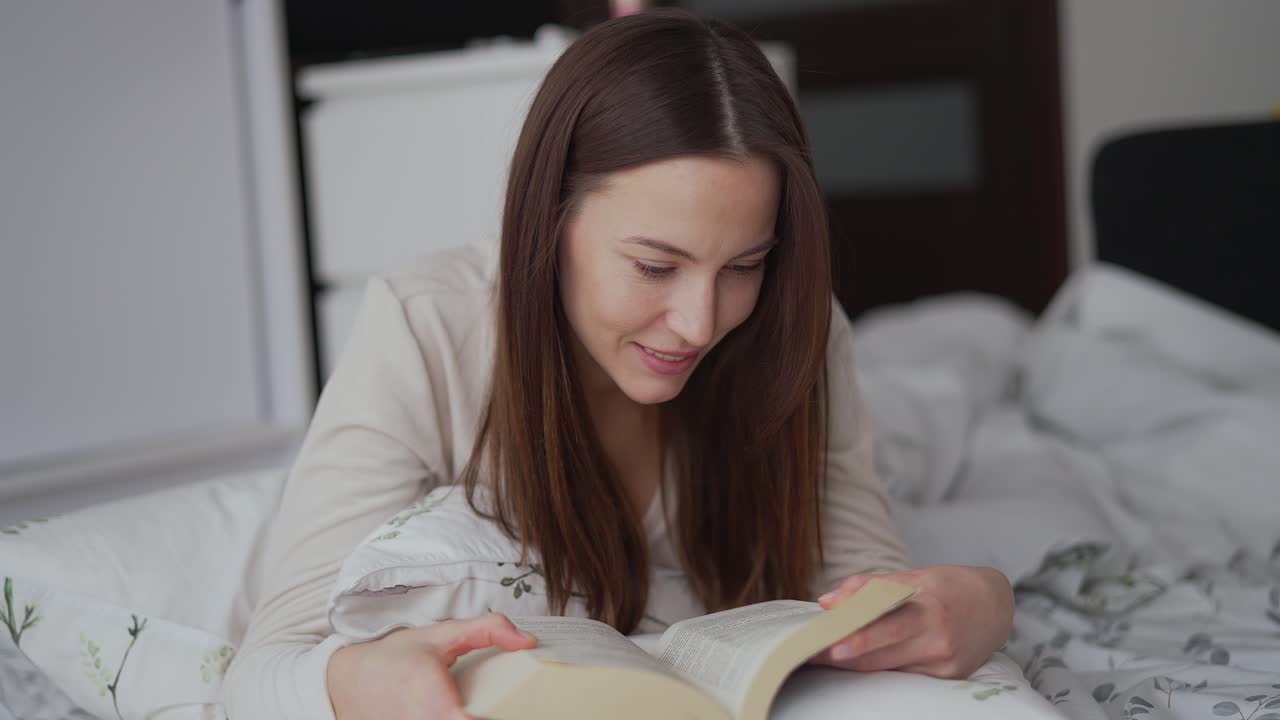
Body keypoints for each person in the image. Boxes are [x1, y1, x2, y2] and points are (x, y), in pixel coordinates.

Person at [223, 10, 1013, 719]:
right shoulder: (425, 327)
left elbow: (864, 585)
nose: (701, 324)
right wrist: (352, 681)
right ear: (551, 221)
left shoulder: (793, 328)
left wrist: (982, 603)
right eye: (655, 266)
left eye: (745, 264)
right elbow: (264, 666)